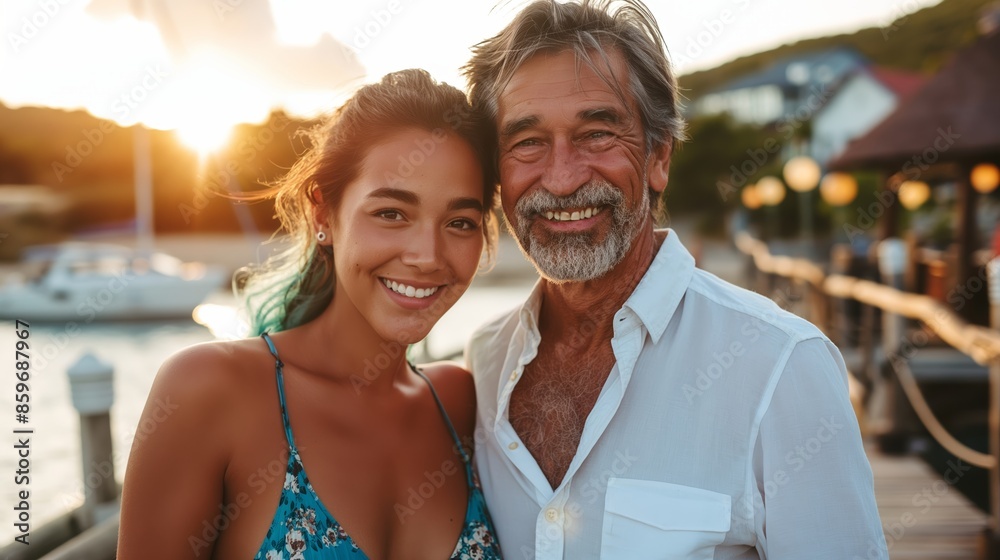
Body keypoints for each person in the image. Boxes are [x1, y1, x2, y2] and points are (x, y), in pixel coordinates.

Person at [462, 1, 889, 558]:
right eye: (527, 142)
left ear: (658, 156)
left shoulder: (783, 368)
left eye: (597, 134)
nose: (562, 178)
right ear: (497, 176)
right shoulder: (485, 363)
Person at [118, 69, 503, 560]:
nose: (427, 255)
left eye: (460, 222)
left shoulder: (458, 401)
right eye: (391, 213)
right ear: (324, 216)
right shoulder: (210, 391)